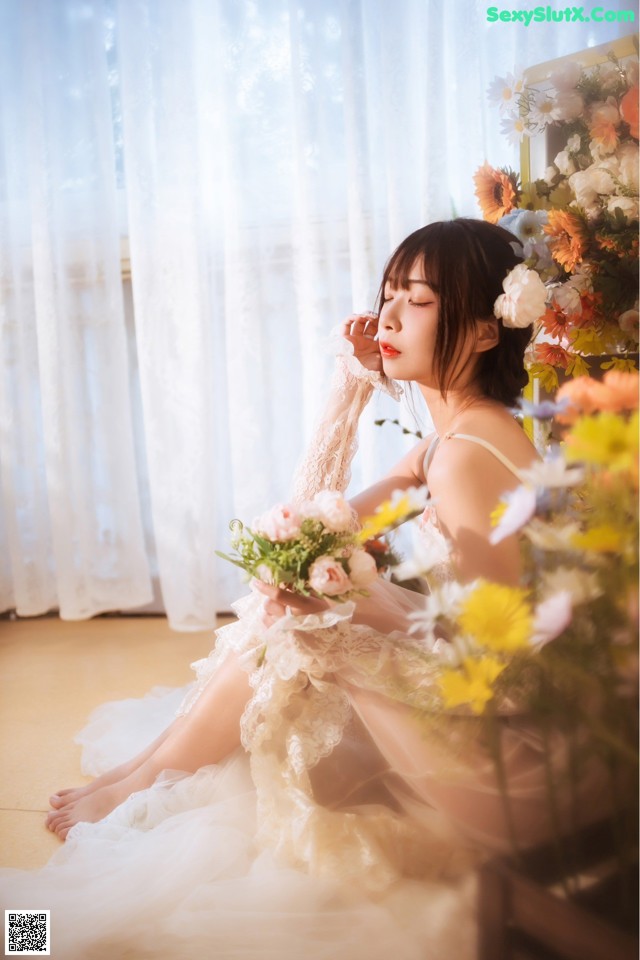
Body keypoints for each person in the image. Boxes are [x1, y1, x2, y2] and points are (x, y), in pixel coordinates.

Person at [2, 219, 560, 959]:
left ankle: (139, 789)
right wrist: (352, 386)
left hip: (497, 723)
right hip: (463, 661)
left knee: (297, 626)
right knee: (292, 602)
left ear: (487, 332)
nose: (388, 315)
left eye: (417, 301)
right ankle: (146, 772)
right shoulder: (449, 438)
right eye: (387, 294)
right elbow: (303, 526)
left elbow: (507, 655)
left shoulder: (466, 455)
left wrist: (367, 608)